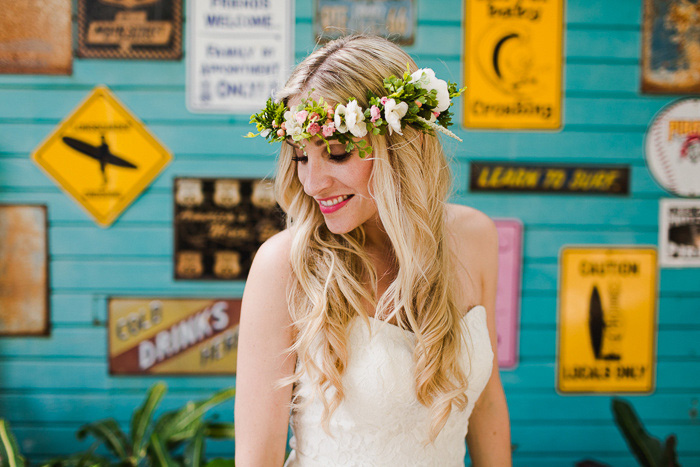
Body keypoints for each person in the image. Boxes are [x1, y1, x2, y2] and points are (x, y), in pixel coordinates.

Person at [235, 34, 511, 466]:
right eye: (301, 157)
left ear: (404, 144)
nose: (312, 183)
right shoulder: (283, 266)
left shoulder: (475, 236)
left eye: (338, 153)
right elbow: (257, 458)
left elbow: (487, 399)